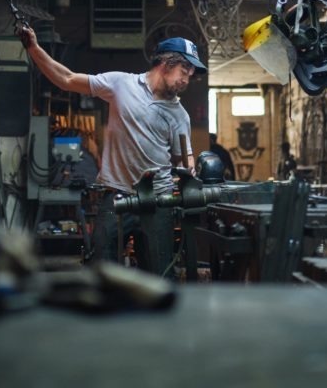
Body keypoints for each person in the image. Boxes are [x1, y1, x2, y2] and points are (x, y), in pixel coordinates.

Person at [18, 26, 206, 278]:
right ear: (165, 63)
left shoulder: (179, 114)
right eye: (184, 70)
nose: (187, 79)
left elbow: (185, 156)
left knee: (160, 276)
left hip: (157, 201)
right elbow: (66, 79)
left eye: (191, 74)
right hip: (115, 195)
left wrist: (190, 170)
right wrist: (33, 48)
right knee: (102, 273)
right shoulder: (121, 84)